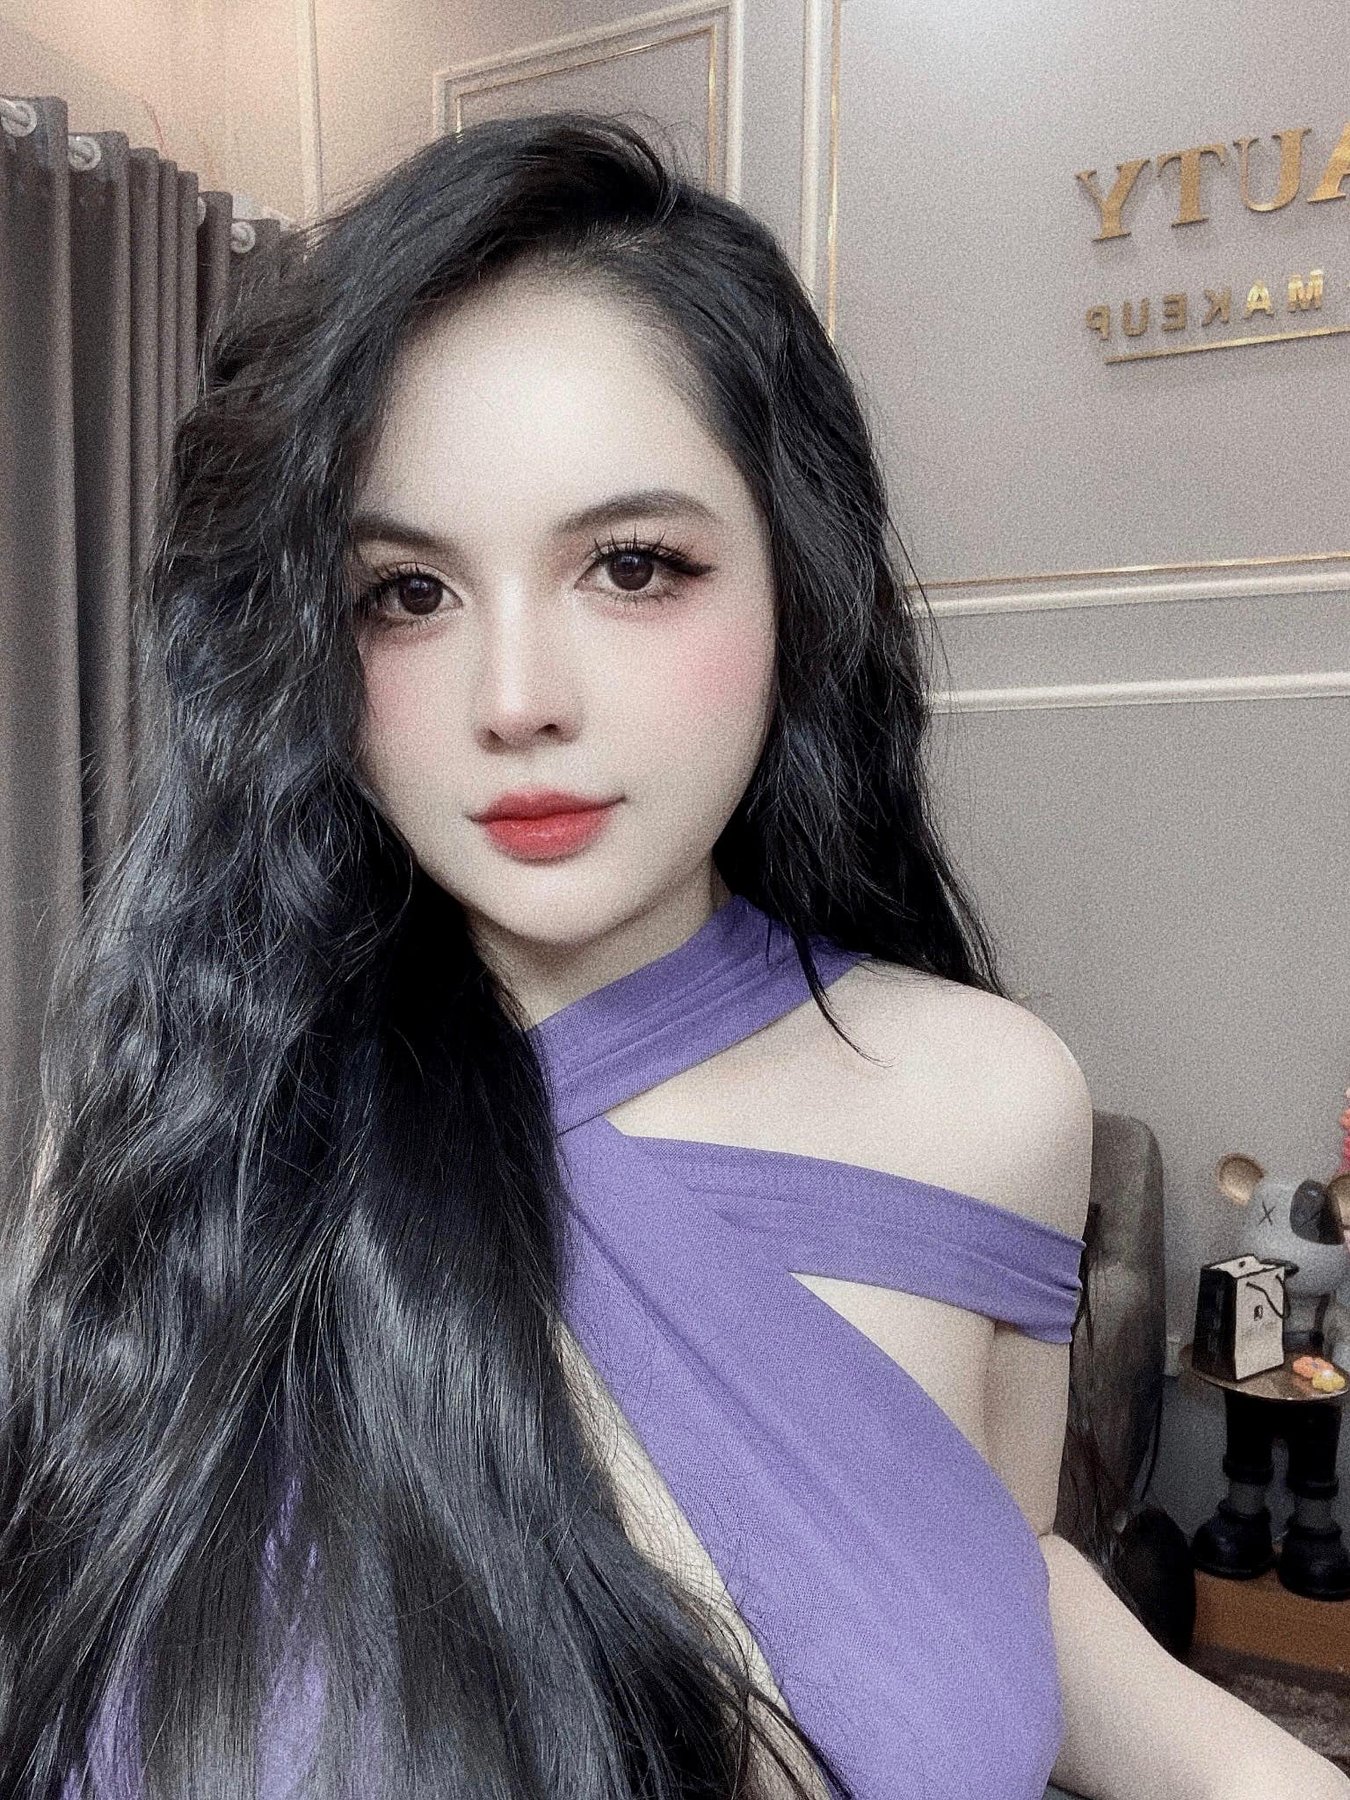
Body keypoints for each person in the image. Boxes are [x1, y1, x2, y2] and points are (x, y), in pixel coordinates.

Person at [2, 110, 1343, 1800]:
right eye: (404, 593)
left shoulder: (986, 1102)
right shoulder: (179, 1118)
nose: (515, 700)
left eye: (631, 566)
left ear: (796, 583)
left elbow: (978, 1564)